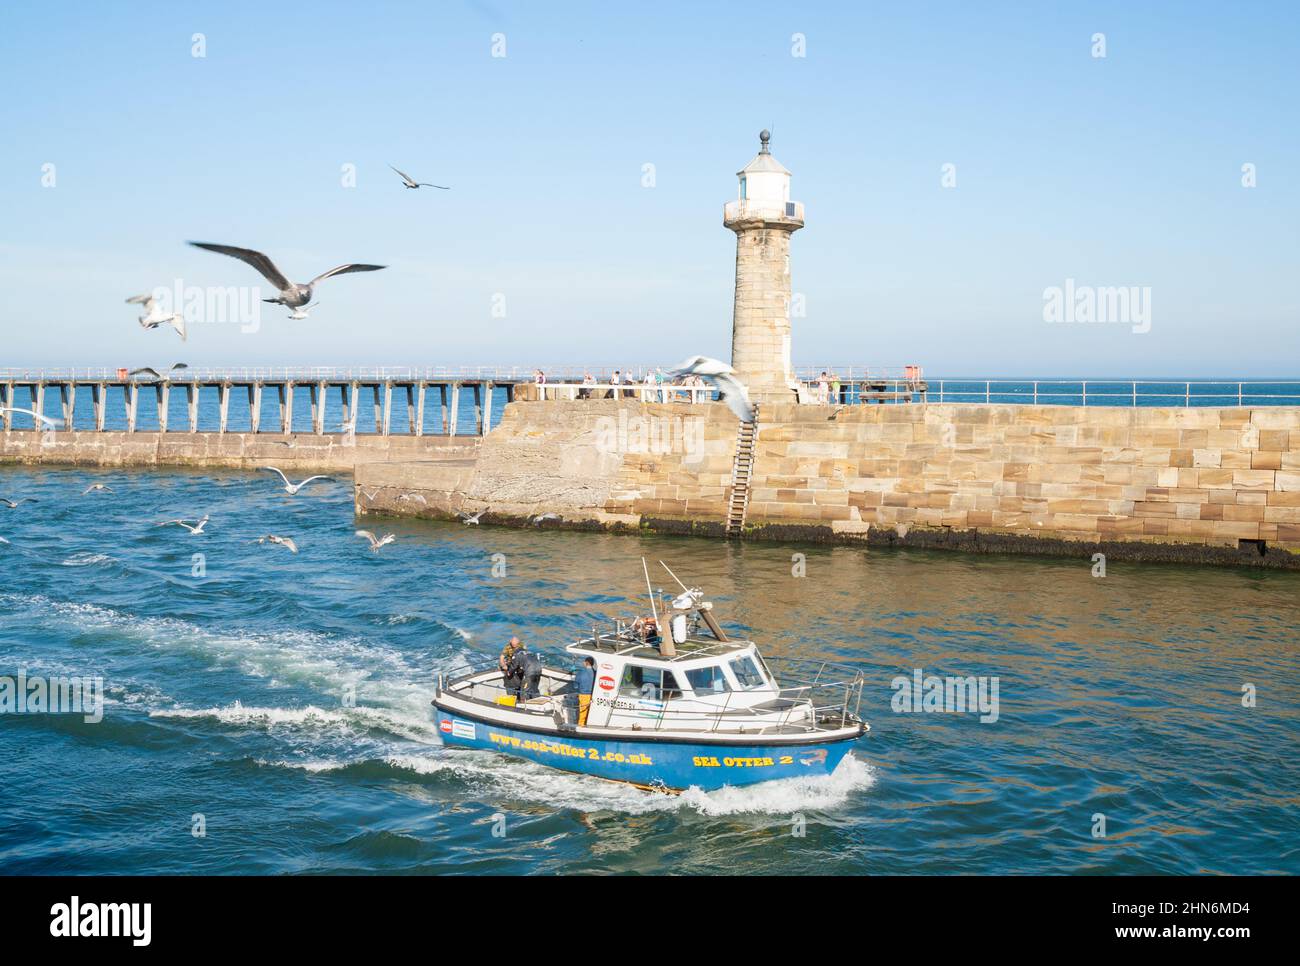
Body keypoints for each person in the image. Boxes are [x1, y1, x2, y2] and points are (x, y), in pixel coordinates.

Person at [573, 656, 595, 726]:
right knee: (590, 712)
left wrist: (577, 688)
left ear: (586, 663)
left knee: (583, 713)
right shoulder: (595, 672)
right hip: (593, 694)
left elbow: (575, 685)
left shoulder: (581, 672)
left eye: (584, 662)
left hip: (584, 694)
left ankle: (581, 726)